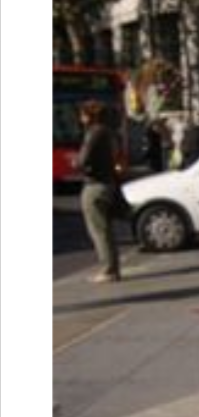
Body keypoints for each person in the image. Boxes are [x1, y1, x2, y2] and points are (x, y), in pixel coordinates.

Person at [77, 100, 123, 283]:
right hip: (108, 182)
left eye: (82, 114)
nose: (80, 118)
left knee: (98, 230)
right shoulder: (109, 132)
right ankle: (112, 268)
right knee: (105, 229)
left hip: (94, 185)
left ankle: (108, 270)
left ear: (89, 116)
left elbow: (82, 160)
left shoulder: (93, 133)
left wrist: (75, 162)